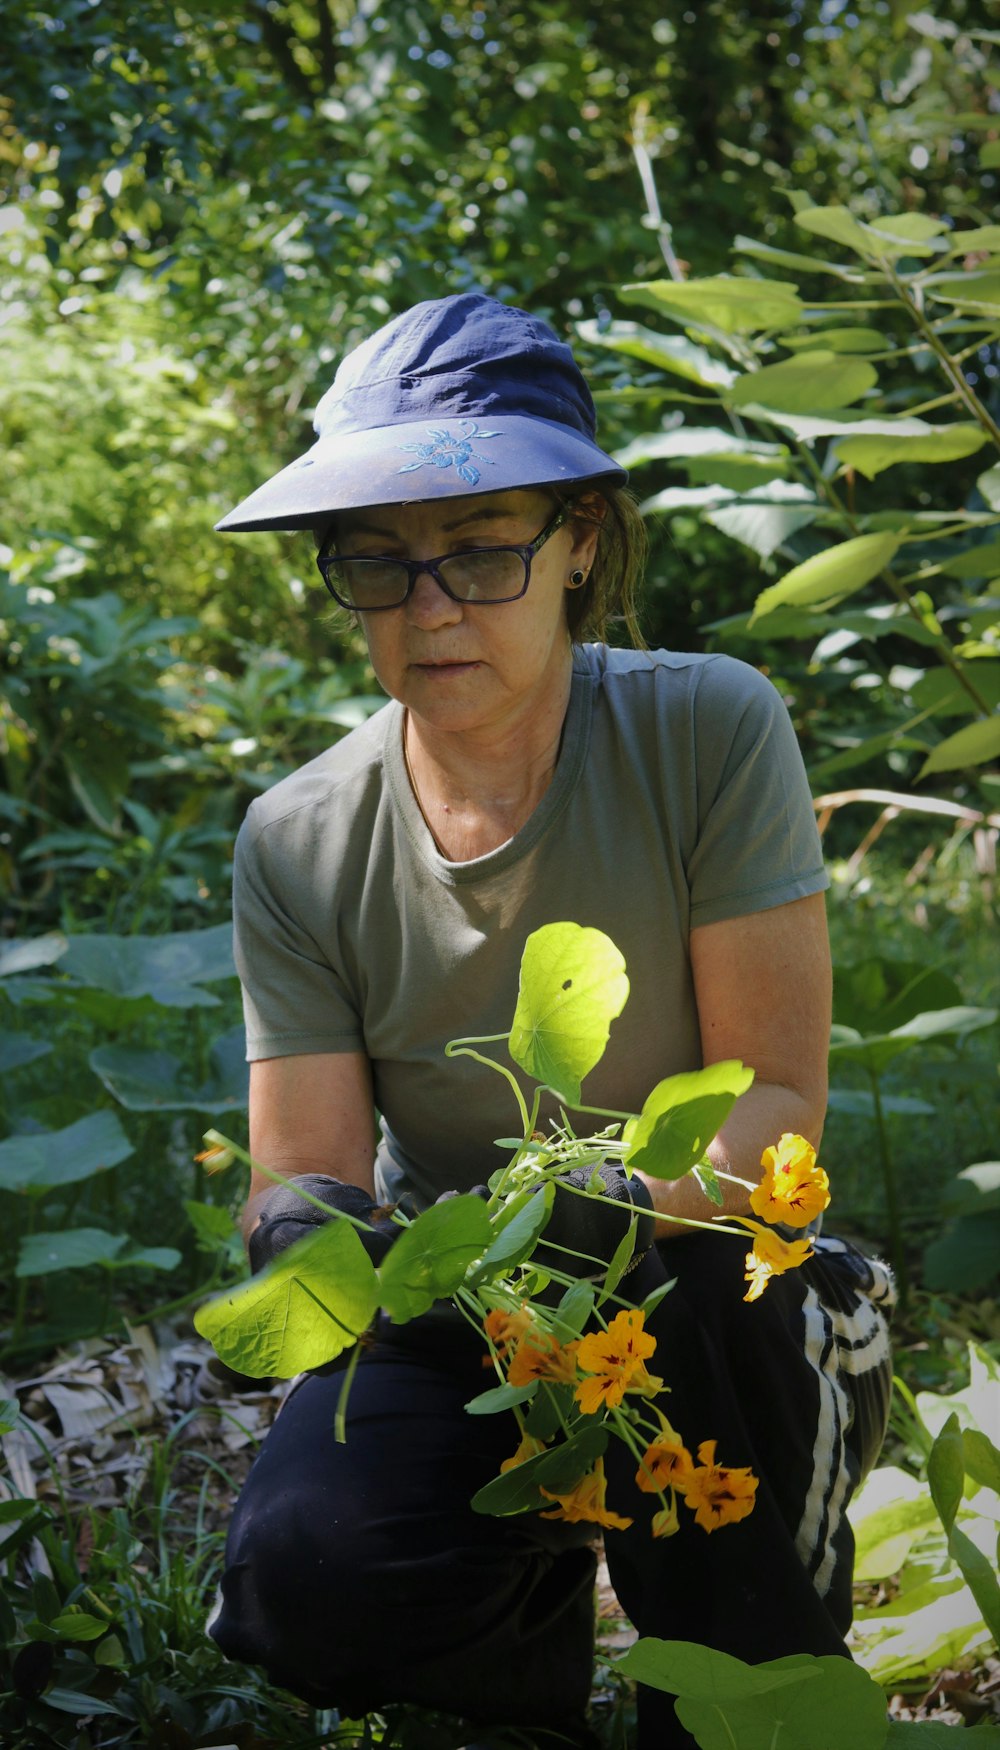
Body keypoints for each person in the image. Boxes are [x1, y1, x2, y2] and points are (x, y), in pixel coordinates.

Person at [207, 293, 894, 1749]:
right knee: (304, 1574)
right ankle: (527, 1674)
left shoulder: (707, 727)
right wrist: (309, 1237)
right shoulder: (297, 836)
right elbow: (301, 1161)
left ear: (583, 535)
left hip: (710, 1276)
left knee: (706, 1296)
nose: (430, 605)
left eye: (481, 548)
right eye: (377, 564)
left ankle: (738, 1677)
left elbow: (774, 1105)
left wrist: (604, 1208)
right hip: (462, 1301)